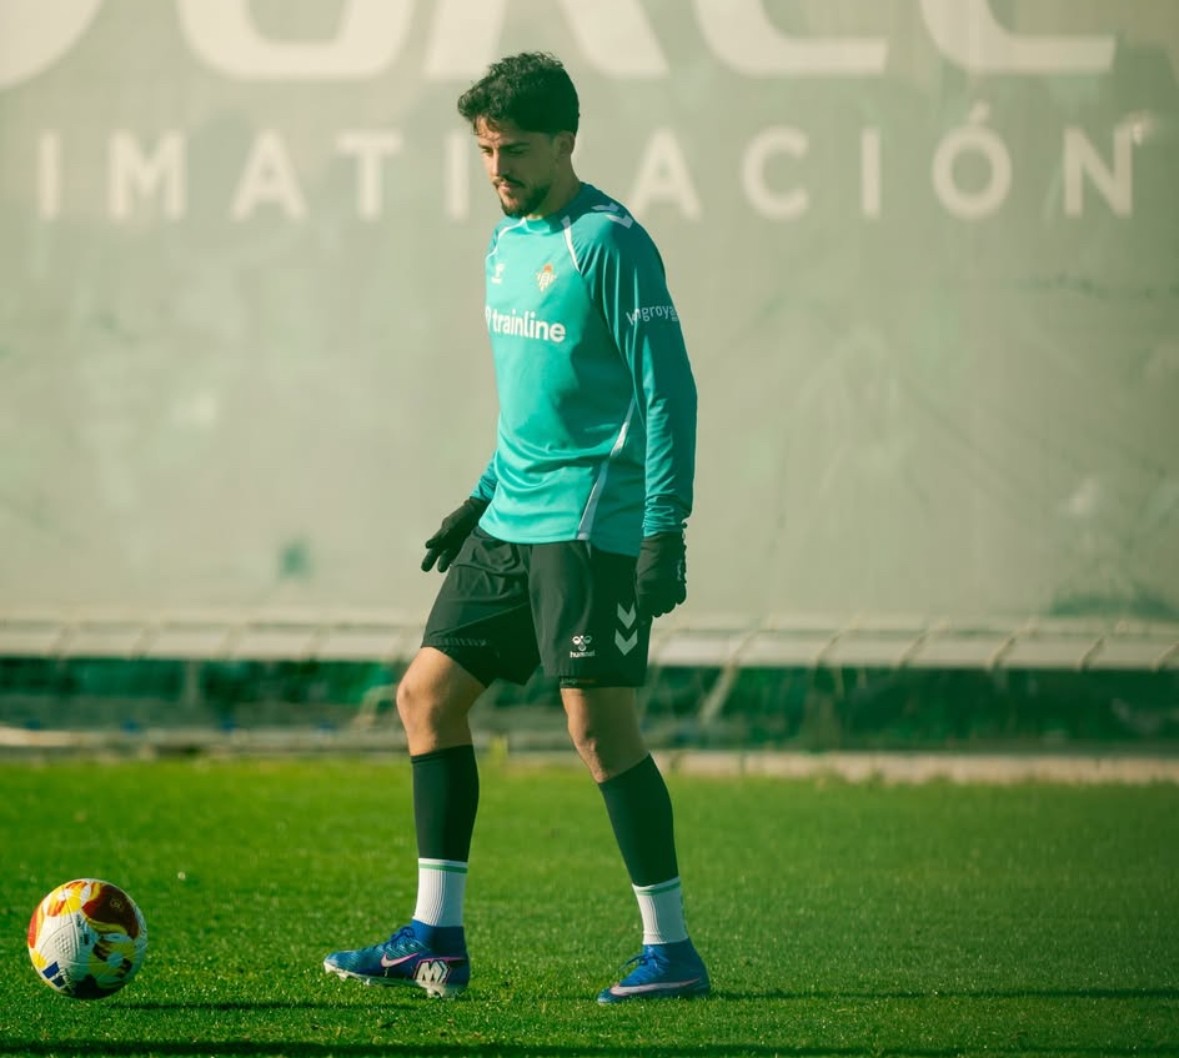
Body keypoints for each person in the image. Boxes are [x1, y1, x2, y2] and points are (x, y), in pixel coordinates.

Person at [323, 52, 706, 1005]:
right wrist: (480, 494)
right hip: (511, 516)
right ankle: (434, 938)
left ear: (566, 142)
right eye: (486, 151)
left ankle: (670, 950)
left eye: (517, 150)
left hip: (587, 523)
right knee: (425, 698)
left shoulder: (609, 244)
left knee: (597, 729)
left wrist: (664, 527)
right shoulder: (504, 244)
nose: (498, 169)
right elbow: (533, 403)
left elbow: (668, 392)